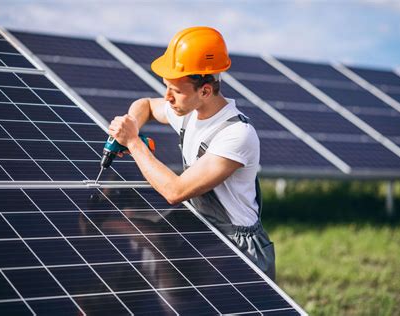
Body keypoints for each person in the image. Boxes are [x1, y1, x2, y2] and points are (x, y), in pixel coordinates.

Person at [108, 26, 275, 280]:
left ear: (205, 91)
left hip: (237, 247)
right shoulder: (188, 113)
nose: (167, 98)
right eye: (165, 87)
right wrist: (130, 123)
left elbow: (175, 191)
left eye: (174, 91)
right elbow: (145, 105)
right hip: (204, 229)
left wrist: (133, 142)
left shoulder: (236, 134)